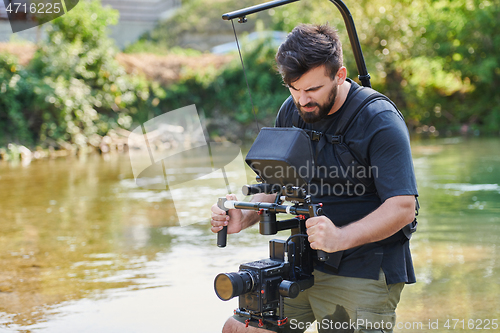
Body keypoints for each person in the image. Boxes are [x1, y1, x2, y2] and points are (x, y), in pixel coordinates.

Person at [211, 23, 418, 333]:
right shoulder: (291, 111)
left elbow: (403, 208)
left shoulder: (379, 120)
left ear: (339, 74)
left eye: (312, 90)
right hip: (304, 261)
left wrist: (341, 238)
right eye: (294, 89)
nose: (302, 100)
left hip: (364, 265)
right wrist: (243, 213)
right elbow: (274, 185)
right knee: (237, 329)